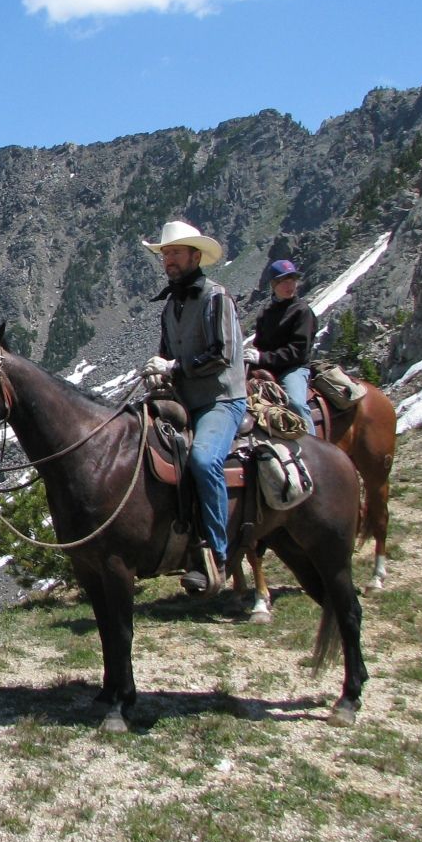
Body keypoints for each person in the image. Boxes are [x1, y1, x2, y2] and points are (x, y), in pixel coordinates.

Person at [141, 220, 248, 596]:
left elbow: (224, 354)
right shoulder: (170, 306)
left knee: (204, 460)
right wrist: (158, 370)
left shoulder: (217, 297)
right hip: (185, 399)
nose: (168, 260)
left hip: (221, 399)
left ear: (195, 256)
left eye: (175, 253)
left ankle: (216, 555)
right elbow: (167, 353)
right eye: (165, 254)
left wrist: (173, 367)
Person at [247, 258, 318, 436]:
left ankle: (313, 445)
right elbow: (260, 344)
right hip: (268, 367)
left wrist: (262, 358)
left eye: (292, 280)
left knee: (295, 403)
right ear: (273, 284)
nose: (290, 285)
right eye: (284, 281)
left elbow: (298, 351)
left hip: (293, 368)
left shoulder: (302, 311)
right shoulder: (266, 312)